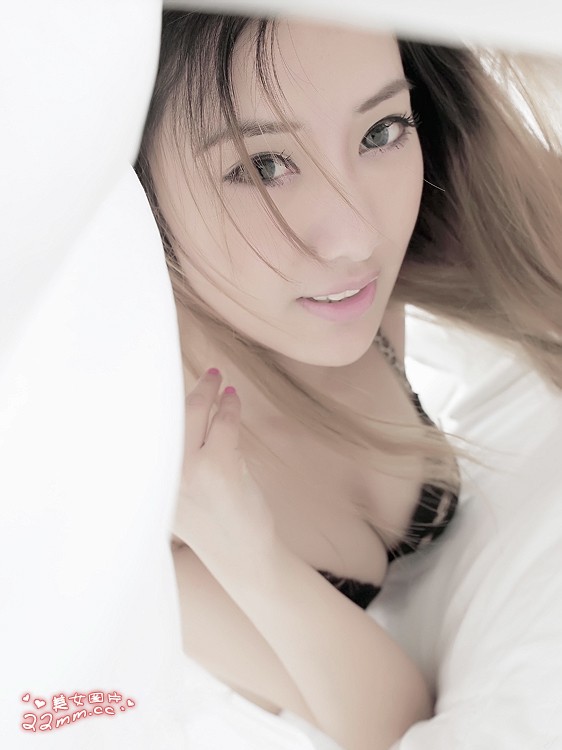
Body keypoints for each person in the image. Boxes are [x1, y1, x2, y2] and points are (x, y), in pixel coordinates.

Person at [134, 10, 562, 750]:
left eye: (381, 131)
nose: (357, 236)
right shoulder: (158, 483)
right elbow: (390, 722)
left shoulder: (367, 270)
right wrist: (244, 550)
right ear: (139, 185)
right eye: (262, 167)